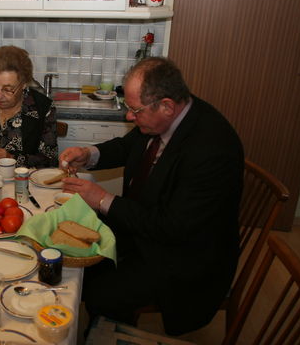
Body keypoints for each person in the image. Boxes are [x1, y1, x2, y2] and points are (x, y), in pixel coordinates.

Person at [60, 57, 244, 335]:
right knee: (76, 254)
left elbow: (171, 227)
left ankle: (111, 331)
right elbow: (128, 145)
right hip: (147, 228)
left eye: (135, 110)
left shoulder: (212, 150)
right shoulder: (163, 118)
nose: (129, 117)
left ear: (167, 106)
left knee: (100, 292)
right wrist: (88, 154)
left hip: (183, 257)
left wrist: (101, 199)